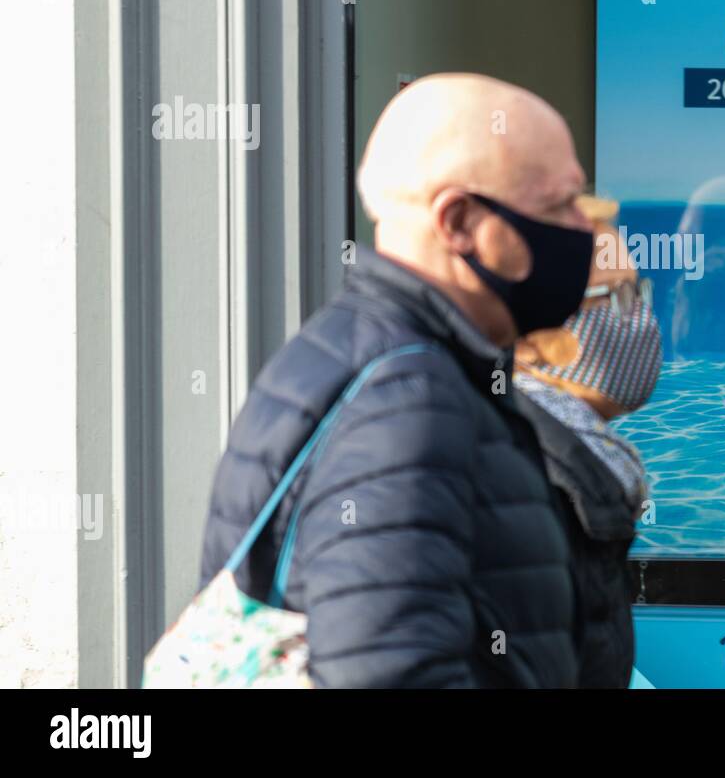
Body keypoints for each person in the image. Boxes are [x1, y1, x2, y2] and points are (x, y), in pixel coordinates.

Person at [199, 73, 593, 687]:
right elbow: (387, 673)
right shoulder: (406, 404)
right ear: (459, 221)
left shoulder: (385, 361)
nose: (584, 228)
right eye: (558, 205)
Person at [512, 196, 660, 688]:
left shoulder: (582, 459)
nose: (637, 319)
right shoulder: (524, 474)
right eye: (615, 298)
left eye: (639, 294)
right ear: (531, 335)